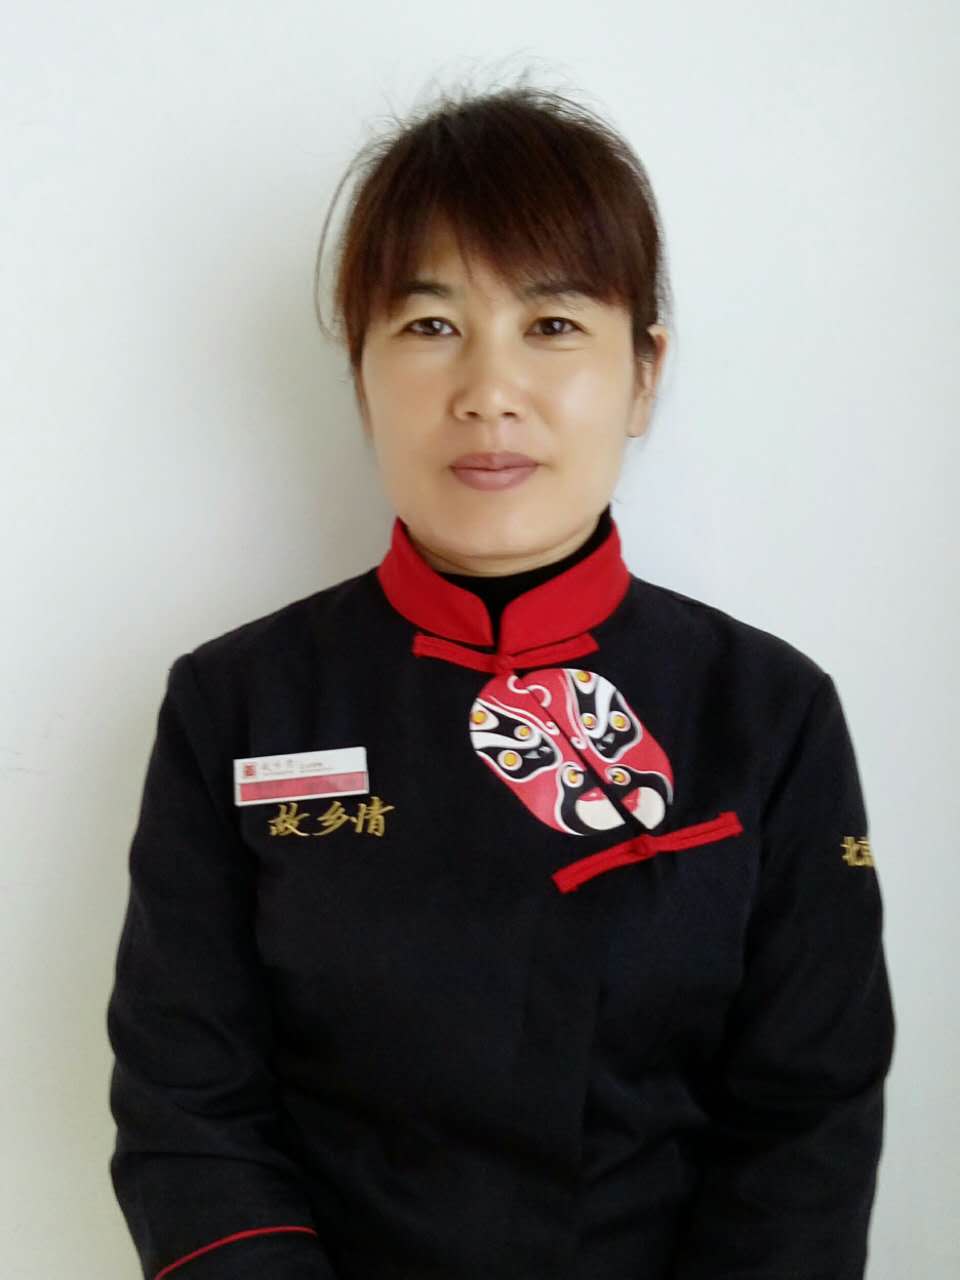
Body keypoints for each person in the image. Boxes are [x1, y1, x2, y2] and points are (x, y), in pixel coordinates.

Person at [106, 81, 895, 1280]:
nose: (487, 389)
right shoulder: (235, 705)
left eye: (554, 323)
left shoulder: (770, 711)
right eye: (430, 325)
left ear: (644, 372)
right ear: (361, 372)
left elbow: (806, 1121)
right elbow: (188, 1102)